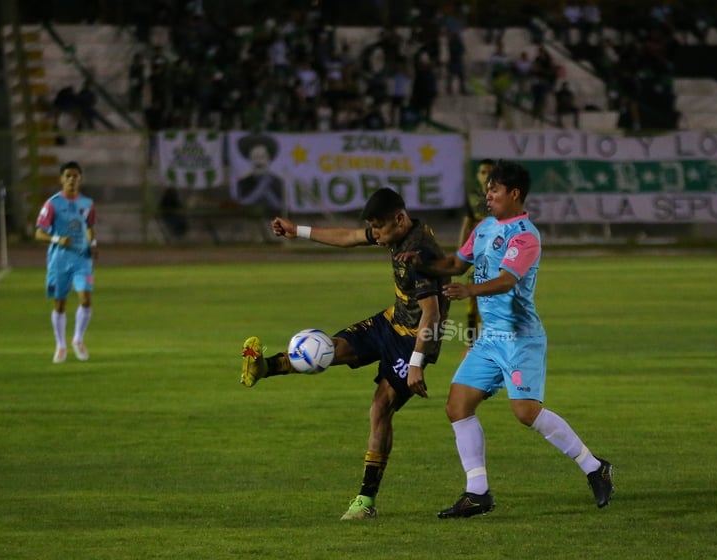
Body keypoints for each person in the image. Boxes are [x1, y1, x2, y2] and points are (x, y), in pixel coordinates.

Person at [399, 160, 613, 517]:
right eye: (487, 190)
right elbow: (455, 264)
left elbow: (506, 280)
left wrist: (469, 290)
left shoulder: (525, 236)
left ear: (514, 194)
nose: (488, 196)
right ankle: (477, 492)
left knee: (525, 412)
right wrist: (421, 263)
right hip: (489, 339)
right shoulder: (484, 227)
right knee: (457, 406)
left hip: (519, 338)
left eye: (494, 190)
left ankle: (595, 467)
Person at [239, 188, 450, 521]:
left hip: (413, 342)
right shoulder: (396, 231)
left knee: (380, 408)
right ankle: (265, 367)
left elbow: (432, 314)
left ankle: (365, 501)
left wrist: (416, 364)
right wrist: (299, 231)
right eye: (374, 228)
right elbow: (350, 236)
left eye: (379, 227)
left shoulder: (418, 253)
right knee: (330, 348)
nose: (375, 234)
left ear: (398, 219)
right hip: (391, 321)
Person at [34, 161, 98, 364]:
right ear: (61, 179)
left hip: (82, 258)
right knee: (60, 304)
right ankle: (60, 345)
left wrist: (93, 243)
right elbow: (38, 233)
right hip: (59, 260)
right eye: (68, 176)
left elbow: (89, 226)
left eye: (76, 176)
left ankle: (78, 340)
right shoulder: (52, 204)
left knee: (86, 298)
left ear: (80, 179)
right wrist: (57, 239)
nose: (72, 179)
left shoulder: (87, 204)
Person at [457, 158, 495, 348]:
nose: (486, 175)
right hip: (479, 258)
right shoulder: (473, 198)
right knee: (472, 301)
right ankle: (472, 345)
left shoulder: (501, 198)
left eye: (490, 172)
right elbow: (467, 225)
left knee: (495, 301)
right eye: (483, 172)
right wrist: (461, 255)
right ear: (478, 175)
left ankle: (495, 342)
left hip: (498, 259)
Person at [234, 133, 284, 210]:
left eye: (262, 157)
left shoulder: (277, 181)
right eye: (255, 157)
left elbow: (279, 205)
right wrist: (262, 186)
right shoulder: (244, 181)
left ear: (269, 158)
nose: (258, 161)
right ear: (250, 159)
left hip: (274, 219)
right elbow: (244, 202)